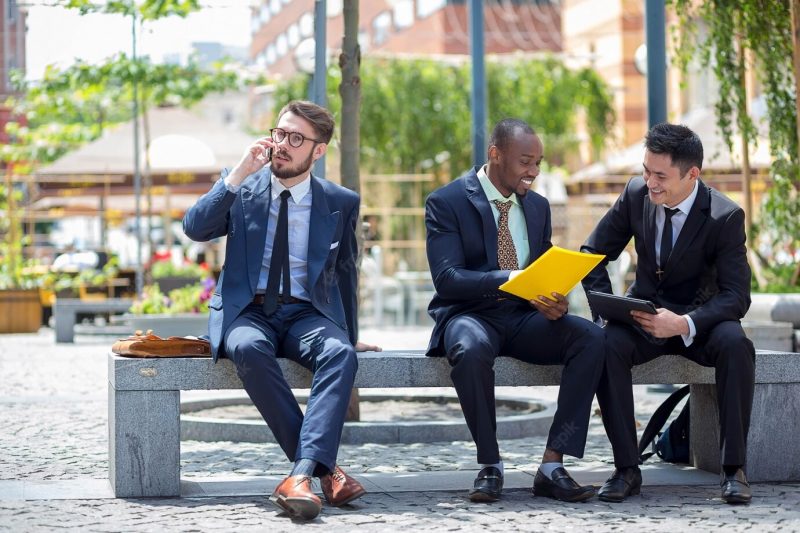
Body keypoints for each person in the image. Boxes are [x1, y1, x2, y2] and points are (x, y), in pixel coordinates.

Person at [183, 100, 380, 520]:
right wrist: (237, 174)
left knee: (339, 353)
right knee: (249, 348)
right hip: (248, 313)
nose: (282, 145)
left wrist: (347, 331)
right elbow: (194, 228)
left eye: (296, 139)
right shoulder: (242, 188)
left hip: (306, 314)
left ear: (318, 151)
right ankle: (320, 472)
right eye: (279, 133)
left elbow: (346, 271)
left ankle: (301, 473)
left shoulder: (340, 201)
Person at [425, 118, 605, 503]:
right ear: (495, 154)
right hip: (469, 315)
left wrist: (556, 298)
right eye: (525, 162)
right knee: (470, 351)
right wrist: (509, 277)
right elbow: (448, 278)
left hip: (525, 318)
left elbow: (541, 268)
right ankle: (490, 464)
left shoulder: (538, 207)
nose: (533, 172)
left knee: (591, 337)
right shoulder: (447, 201)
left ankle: (552, 465)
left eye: (538, 163)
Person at [581, 123, 755, 505]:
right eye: (646, 171)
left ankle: (733, 469)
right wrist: (607, 309)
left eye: (660, 175)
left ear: (692, 174)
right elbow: (590, 253)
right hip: (643, 320)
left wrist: (684, 323)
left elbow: (737, 296)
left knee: (736, 343)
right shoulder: (634, 194)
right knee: (605, 342)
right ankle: (627, 469)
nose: (650, 182)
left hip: (700, 324)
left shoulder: (725, 217)